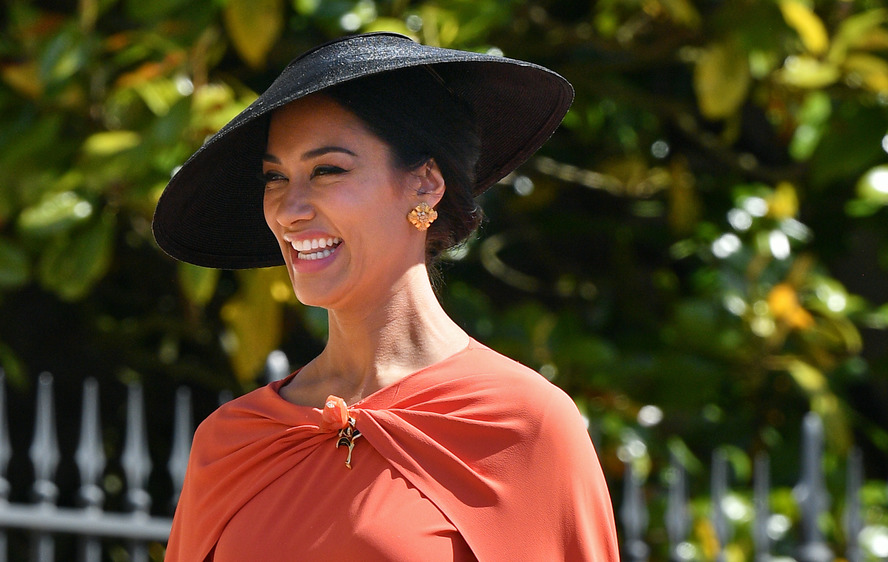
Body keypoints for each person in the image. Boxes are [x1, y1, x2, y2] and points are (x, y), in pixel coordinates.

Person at [153, 32, 619, 561]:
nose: (289, 210)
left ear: (424, 184)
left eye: (327, 170)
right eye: (275, 178)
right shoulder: (234, 441)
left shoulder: (522, 425)